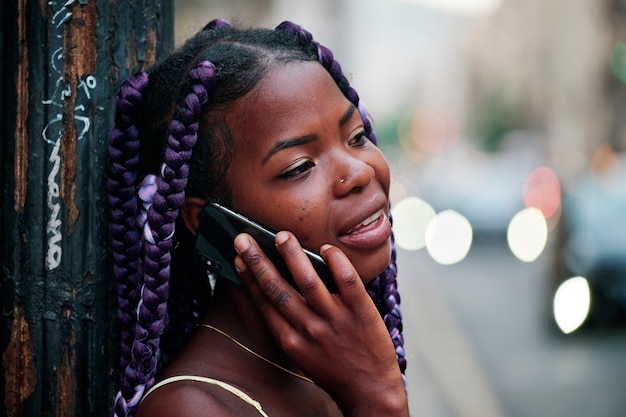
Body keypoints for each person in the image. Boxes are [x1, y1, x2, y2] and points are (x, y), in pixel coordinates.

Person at [107, 18, 408, 417]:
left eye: (355, 137)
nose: (360, 172)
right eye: (300, 166)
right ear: (211, 221)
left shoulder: (333, 366)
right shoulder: (190, 409)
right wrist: (380, 400)